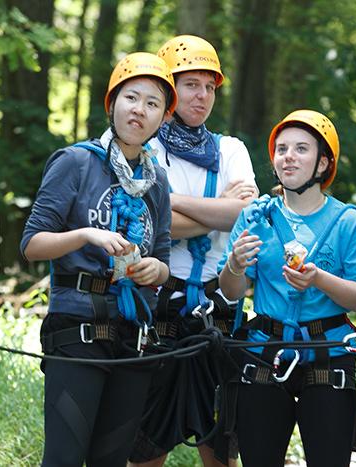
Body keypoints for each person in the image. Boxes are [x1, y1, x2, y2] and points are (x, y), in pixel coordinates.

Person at [20, 52, 176, 466]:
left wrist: (152, 270)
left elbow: (162, 261)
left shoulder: (157, 182)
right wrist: (86, 235)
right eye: (131, 97)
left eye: (152, 103)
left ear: (162, 119)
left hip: (131, 335)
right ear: (112, 103)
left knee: (111, 460)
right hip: (76, 328)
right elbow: (32, 244)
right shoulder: (76, 162)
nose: (139, 110)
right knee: (65, 459)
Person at [218, 110, 356, 467]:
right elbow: (231, 291)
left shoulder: (350, 223)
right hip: (266, 348)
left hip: (328, 350)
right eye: (282, 149)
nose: (288, 156)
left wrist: (318, 278)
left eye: (301, 149)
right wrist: (234, 264)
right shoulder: (256, 216)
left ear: (323, 163)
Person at [128, 35, 258, 467]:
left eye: (210, 86)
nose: (202, 96)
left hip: (219, 310)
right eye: (190, 85)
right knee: (146, 447)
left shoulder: (231, 149)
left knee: (221, 447)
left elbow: (245, 217)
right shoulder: (146, 146)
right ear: (169, 89)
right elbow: (151, 225)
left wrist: (168, 199)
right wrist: (222, 208)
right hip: (160, 308)